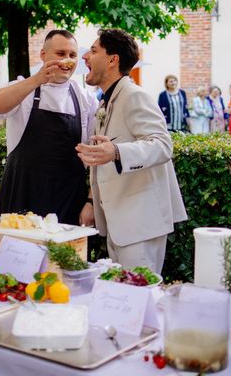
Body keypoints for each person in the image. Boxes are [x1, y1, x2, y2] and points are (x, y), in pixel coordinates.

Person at [75, 29, 187, 273]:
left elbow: (162, 145)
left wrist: (116, 151)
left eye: (93, 51)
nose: (85, 57)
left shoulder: (134, 96)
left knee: (138, 297)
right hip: (120, 224)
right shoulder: (106, 101)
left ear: (113, 59)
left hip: (140, 224)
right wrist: (92, 202)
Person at [0, 29, 98, 225]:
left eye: (72, 55)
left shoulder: (85, 99)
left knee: (63, 256)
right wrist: (37, 79)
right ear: (43, 55)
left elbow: (96, 155)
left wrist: (90, 200)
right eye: (61, 54)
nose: (68, 60)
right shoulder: (24, 87)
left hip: (68, 198)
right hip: (23, 195)